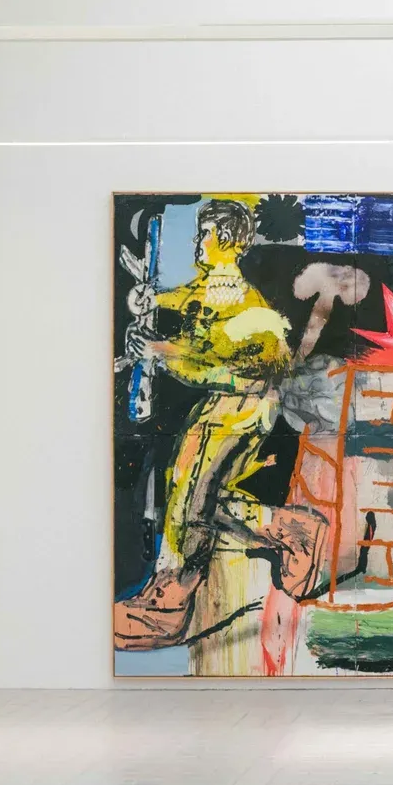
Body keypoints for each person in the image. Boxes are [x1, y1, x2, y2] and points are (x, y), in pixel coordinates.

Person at [113, 199, 330, 649]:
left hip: (241, 406)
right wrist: (152, 302)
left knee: (190, 496)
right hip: (224, 406)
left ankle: (168, 606)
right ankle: (293, 531)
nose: (198, 244)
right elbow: (189, 300)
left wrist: (162, 352)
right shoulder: (214, 288)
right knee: (195, 493)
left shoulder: (242, 302)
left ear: (227, 242)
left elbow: (222, 367)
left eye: (204, 236)